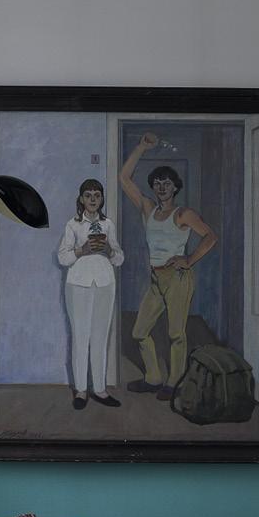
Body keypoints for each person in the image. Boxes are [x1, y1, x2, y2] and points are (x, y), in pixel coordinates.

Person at [118, 132, 218, 401]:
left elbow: (211, 236)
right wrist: (141, 147)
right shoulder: (148, 208)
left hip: (177, 278)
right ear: (153, 187)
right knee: (139, 332)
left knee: (176, 333)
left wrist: (189, 259)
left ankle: (175, 382)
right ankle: (153, 378)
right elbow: (124, 178)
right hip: (156, 279)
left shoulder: (183, 214)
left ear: (175, 187)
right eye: (157, 183)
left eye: (167, 183)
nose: (162, 187)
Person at [57, 179, 124, 410]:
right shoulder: (73, 225)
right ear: (81, 199)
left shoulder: (108, 224)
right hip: (78, 284)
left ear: (102, 198)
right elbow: (62, 257)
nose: (93, 199)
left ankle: (100, 389)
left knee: (100, 337)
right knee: (80, 337)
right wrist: (82, 250)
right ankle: (81, 390)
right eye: (88, 195)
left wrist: (109, 250)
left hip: (105, 283)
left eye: (97, 195)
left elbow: (119, 258)